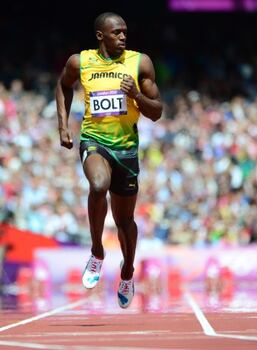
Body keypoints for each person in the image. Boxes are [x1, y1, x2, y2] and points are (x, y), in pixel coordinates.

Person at [56, 12, 163, 308]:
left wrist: (137, 96)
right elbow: (63, 85)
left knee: (125, 221)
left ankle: (127, 271)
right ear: (100, 35)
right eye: (117, 32)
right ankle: (97, 252)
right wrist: (63, 126)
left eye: (125, 32)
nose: (123, 36)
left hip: (127, 149)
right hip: (94, 141)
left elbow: (157, 111)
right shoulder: (81, 62)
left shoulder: (140, 62)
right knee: (98, 185)